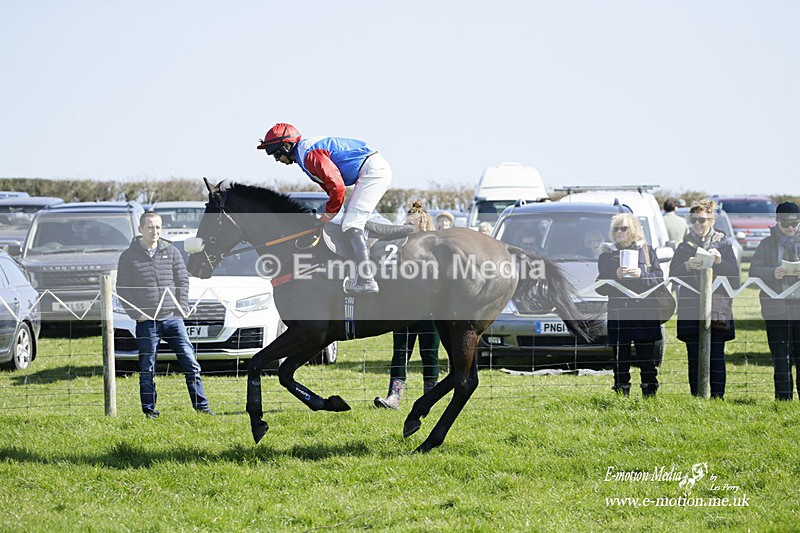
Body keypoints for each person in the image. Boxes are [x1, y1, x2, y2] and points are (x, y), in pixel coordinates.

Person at [257, 123, 392, 294]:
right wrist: (327, 216)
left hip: (373, 171)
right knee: (345, 222)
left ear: (286, 146)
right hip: (369, 169)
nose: (277, 159)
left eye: (276, 153)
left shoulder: (309, 155)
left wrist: (326, 217)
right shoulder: (303, 155)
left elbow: (338, 188)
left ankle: (367, 280)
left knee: (352, 224)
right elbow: (332, 189)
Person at [116, 212, 213, 418]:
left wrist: (181, 308)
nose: (155, 231)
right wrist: (136, 314)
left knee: (191, 364)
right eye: (150, 227)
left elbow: (182, 281)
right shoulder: (128, 256)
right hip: (147, 322)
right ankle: (149, 411)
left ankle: (202, 408)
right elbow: (123, 288)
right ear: (141, 229)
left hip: (172, 318)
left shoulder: (172, 251)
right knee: (147, 368)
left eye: (158, 227)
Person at [671, 200, 740, 399]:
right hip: (691, 308)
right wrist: (686, 266)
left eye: (702, 220)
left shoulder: (724, 244)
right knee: (694, 356)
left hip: (717, 308)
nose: (697, 224)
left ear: (712, 220)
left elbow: (735, 279)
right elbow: (672, 276)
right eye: (693, 220)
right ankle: (697, 397)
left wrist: (719, 262)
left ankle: (718, 397)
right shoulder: (684, 246)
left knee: (716, 355)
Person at [375, 201, 440, 409]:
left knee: (429, 352)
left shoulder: (435, 248)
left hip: (430, 309)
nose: (407, 227)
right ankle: (394, 396)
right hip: (403, 308)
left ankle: (430, 396)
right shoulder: (398, 247)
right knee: (400, 351)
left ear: (423, 225)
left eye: (411, 224)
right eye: (406, 223)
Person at [596, 214, 663, 396]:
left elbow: (659, 279)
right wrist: (614, 275)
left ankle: (650, 391)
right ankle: (621, 391)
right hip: (620, 312)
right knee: (620, 356)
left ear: (633, 229)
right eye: (616, 229)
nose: (619, 232)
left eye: (623, 228)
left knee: (646, 356)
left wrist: (641, 275)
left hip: (645, 311)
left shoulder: (646, 251)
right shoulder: (606, 255)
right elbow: (600, 287)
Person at [750, 201, 800, 400]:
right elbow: (753, 271)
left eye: (795, 224)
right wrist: (772, 272)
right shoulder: (766, 244)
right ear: (777, 221)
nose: (791, 228)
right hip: (776, 308)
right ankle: (783, 399)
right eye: (786, 224)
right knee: (780, 355)